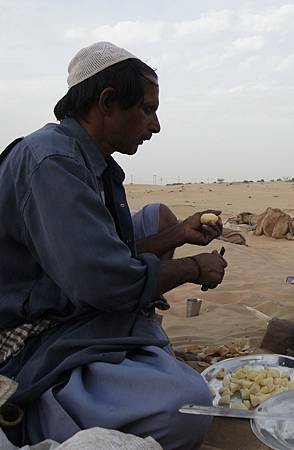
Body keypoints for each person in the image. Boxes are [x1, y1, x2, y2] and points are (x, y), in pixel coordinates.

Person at [0, 42, 228, 449]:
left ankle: (131, 364)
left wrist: (177, 235)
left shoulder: (94, 162)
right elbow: (103, 282)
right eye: (146, 109)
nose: (154, 126)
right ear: (106, 102)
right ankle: (40, 414)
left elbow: (108, 250)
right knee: (188, 407)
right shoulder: (53, 162)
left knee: (157, 215)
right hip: (32, 329)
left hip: (72, 287)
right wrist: (194, 269)